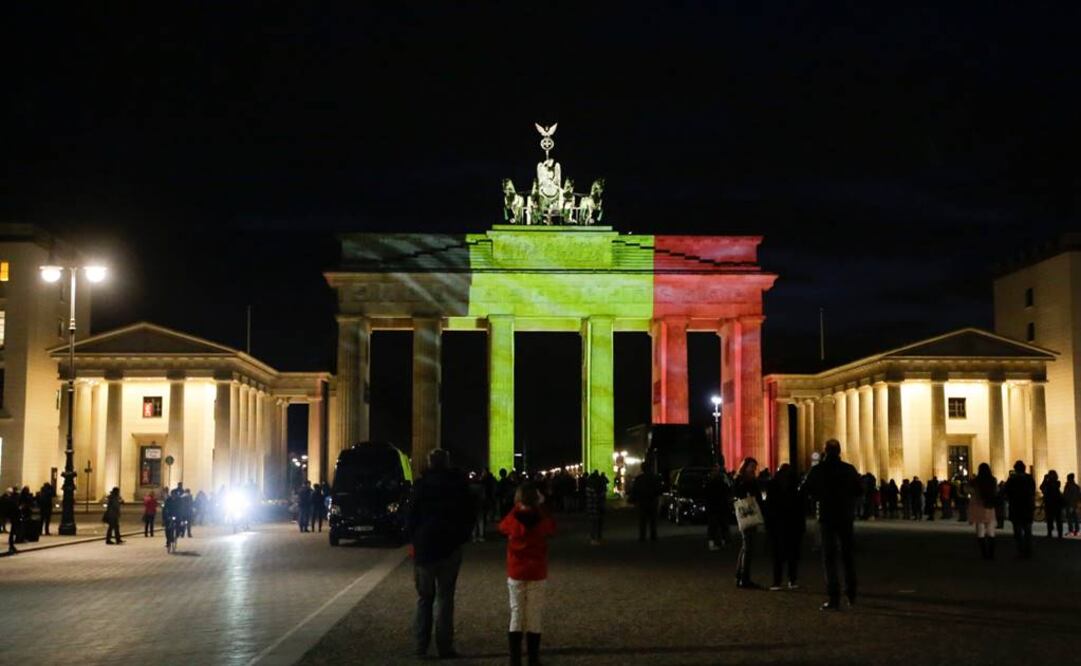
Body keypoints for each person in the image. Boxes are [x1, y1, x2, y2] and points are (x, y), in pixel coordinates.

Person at [406, 448, 473, 660]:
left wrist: (414, 539)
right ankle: (445, 647)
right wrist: (461, 537)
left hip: (425, 549)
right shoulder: (458, 485)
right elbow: (469, 513)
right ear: (447, 463)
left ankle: (420, 646)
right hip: (450, 548)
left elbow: (410, 517)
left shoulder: (420, 486)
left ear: (429, 462)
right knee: (446, 598)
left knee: (424, 598)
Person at [801, 439, 862, 611]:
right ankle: (851, 593)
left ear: (825, 451)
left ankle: (833, 597)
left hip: (826, 516)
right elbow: (859, 490)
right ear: (840, 451)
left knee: (829, 558)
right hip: (845, 515)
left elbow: (805, 490)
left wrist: (817, 496)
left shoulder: (818, 470)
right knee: (847, 555)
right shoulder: (848, 469)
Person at [499, 482, 556, 666]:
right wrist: (541, 506)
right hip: (537, 570)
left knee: (516, 612)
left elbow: (502, 527)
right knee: (534, 614)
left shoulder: (513, 518)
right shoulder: (541, 517)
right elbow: (552, 527)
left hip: (516, 570)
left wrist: (518, 506)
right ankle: (533, 658)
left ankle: (515, 659)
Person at [766, 463, 804, 590]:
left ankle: (777, 582)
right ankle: (792, 580)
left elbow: (769, 505)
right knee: (792, 554)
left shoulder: (772, 485)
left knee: (777, 554)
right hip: (793, 523)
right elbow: (800, 507)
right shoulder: (795, 486)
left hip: (777, 523)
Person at [732, 457, 762, 589]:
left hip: (748, 514)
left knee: (745, 546)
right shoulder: (743, 480)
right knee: (748, 547)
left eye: (755, 467)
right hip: (747, 514)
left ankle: (740, 575)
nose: (754, 470)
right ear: (746, 467)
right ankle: (744, 578)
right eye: (752, 467)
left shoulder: (745, 480)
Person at [1004, 460, 1036, 558]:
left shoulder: (1012, 479)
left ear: (1015, 469)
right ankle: (1028, 550)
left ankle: (1021, 550)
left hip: (1016, 507)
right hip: (1027, 507)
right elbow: (1033, 491)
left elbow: (1006, 491)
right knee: (1027, 530)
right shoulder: (1029, 478)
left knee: (1018, 531)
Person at [969, 463, 998, 560]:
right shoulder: (993, 480)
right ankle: (991, 554)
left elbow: (968, 490)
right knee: (991, 532)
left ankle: (984, 554)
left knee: (980, 532)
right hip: (990, 507)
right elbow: (996, 492)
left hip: (979, 507)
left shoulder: (976, 481)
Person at [629, 466, 662, 542]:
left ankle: (642, 536)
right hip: (652, 501)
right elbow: (659, 489)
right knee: (653, 520)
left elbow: (635, 490)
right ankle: (653, 535)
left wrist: (632, 499)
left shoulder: (639, 479)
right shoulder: (655, 478)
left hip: (642, 501)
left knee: (642, 520)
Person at [704, 464, 730, 550]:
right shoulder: (712, 482)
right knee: (714, 526)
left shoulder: (719, 482)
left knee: (722, 525)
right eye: (715, 470)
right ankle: (714, 543)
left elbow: (727, 491)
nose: (716, 472)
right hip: (715, 507)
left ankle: (721, 542)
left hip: (719, 506)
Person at [1040, 470, 1064, 539]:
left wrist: (1048, 481)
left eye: (1051, 475)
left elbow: (1054, 487)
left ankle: (1060, 534)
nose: (1050, 476)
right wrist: (1044, 479)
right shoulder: (1047, 482)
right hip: (1049, 503)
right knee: (1050, 519)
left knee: (1058, 519)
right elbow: (1041, 487)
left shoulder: (1057, 482)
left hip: (1056, 503)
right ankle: (1050, 533)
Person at [585, 471, 606, 545]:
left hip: (591, 508)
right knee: (596, 524)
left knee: (593, 523)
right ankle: (594, 538)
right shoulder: (594, 490)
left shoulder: (588, 488)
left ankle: (594, 538)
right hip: (595, 507)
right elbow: (596, 499)